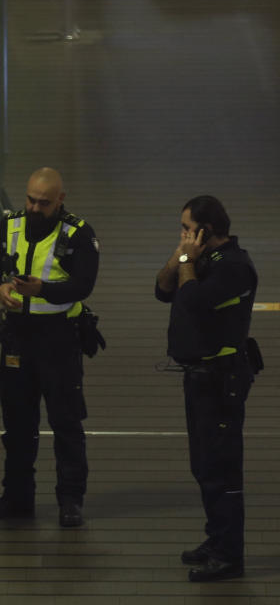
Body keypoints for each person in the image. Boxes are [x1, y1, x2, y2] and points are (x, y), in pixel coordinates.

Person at [0, 167, 99, 528]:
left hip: (59, 340)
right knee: (16, 424)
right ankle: (17, 497)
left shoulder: (78, 234)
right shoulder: (9, 226)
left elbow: (82, 285)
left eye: (44, 202)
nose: (34, 207)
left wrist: (41, 290)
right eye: (30, 199)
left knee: (66, 422)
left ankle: (71, 500)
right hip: (17, 338)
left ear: (60, 199)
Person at [155, 195, 259, 582]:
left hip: (222, 380)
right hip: (199, 377)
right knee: (203, 465)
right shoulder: (202, 260)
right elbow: (163, 289)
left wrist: (187, 263)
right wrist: (181, 257)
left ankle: (230, 556)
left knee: (222, 470)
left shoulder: (234, 267)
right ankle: (216, 540)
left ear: (205, 231)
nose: (181, 235)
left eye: (186, 229)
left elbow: (192, 300)